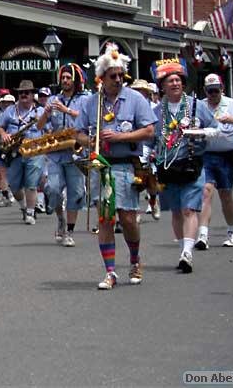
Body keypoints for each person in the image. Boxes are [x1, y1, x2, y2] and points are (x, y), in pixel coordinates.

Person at [75, 43, 155, 290]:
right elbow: (77, 133)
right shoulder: (91, 102)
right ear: (102, 78)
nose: (118, 79)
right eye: (113, 76)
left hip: (126, 166)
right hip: (101, 167)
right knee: (105, 219)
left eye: (121, 75)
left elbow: (149, 130)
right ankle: (110, 271)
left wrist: (120, 138)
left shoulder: (134, 99)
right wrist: (90, 141)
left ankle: (134, 260)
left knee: (129, 219)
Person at [152, 62, 218, 274]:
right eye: (170, 80)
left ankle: (187, 252)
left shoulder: (196, 106)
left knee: (189, 208)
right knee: (176, 211)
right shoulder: (155, 112)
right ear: (162, 86)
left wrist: (201, 133)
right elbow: (148, 139)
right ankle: (183, 249)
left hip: (191, 165)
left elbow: (215, 130)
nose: (175, 83)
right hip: (166, 167)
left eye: (178, 80)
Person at [38, 64, 88, 246]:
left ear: (75, 80)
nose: (65, 81)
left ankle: (69, 232)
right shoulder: (53, 99)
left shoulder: (85, 99)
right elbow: (40, 126)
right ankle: (60, 218)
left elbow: (87, 119)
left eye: (68, 78)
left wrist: (66, 110)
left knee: (76, 193)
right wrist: (46, 113)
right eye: (63, 78)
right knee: (53, 188)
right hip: (56, 152)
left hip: (76, 151)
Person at [196, 74, 233, 249]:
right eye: (210, 91)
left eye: (216, 90)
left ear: (222, 89)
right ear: (205, 91)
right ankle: (203, 234)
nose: (213, 94)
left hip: (227, 155)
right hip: (206, 154)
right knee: (206, 192)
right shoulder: (200, 105)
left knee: (225, 194)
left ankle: (231, 231)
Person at [0, 80, 47, 225]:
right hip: (14, 153)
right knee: (15, 186)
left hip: (34, 151)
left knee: (31, 184)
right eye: (21, 92)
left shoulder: (40, 111)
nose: (23, 95)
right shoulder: (10, 111)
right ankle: (24, 207)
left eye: (27, 92)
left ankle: (30, 212)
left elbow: (48, 130)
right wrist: (3, 134)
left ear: (32, 95)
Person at [130, 79, 161, 220]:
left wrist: (156, 149)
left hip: (150, 146)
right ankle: (135, 209)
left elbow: (158, 131)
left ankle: (153, 200)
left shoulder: (155, 108)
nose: (138, 93)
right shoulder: (128, 106)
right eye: (136, 91)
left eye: (141, 91)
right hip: (134, 146)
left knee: (150, 179)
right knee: (135, 179)